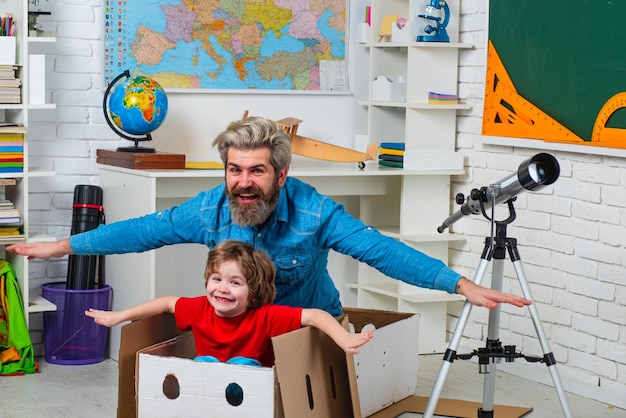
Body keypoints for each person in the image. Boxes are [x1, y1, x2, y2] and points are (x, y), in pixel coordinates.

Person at [7, 116, 531, 315]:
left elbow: (381, 250)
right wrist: (59, 247)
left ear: (281, 175)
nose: (243, 182)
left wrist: (458, 284)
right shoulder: (209, 208)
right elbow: (141, 232)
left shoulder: (316, 213)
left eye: (256, 171)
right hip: (240, 331)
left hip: (306, 328)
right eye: (235, 169)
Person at [85, 240, 373, 367]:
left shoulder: (264, 316)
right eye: (216, 279)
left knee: (243, 368)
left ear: (254, 292)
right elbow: (166, 303)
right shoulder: (200, 309)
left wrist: (344, 338)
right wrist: (119, 316)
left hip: (254, 392)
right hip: (208, 388)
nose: (222, 289)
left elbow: (314, 316)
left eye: (235, 283)